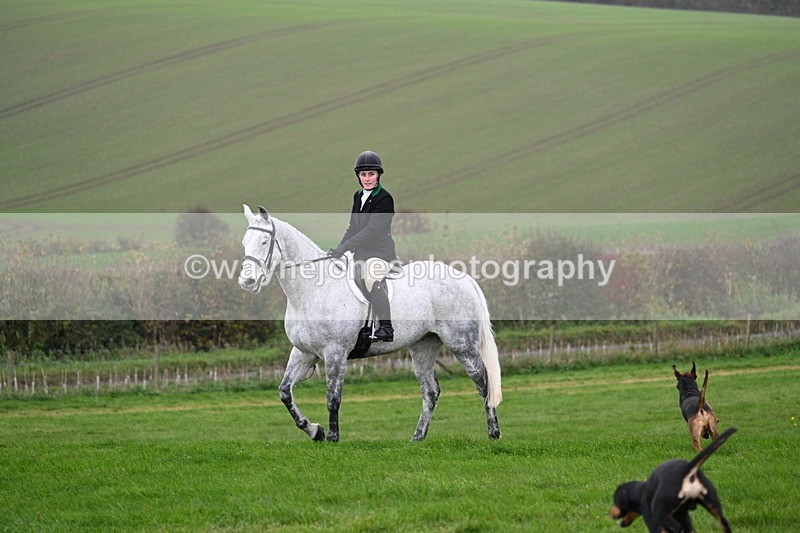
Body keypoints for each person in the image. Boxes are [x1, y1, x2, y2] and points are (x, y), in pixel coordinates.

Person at [329, 150, 396, 342]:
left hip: (379, 254)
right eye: (363, 174)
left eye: (371, 174)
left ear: (378, 175)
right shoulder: (358, 196)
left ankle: (386, 327)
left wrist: (346, 247)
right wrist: (339, 249)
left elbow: (371, 231)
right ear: (358, 176)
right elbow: (353, 227)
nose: (367, 178)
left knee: (370, 279)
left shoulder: (385, 199)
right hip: (360, 254)